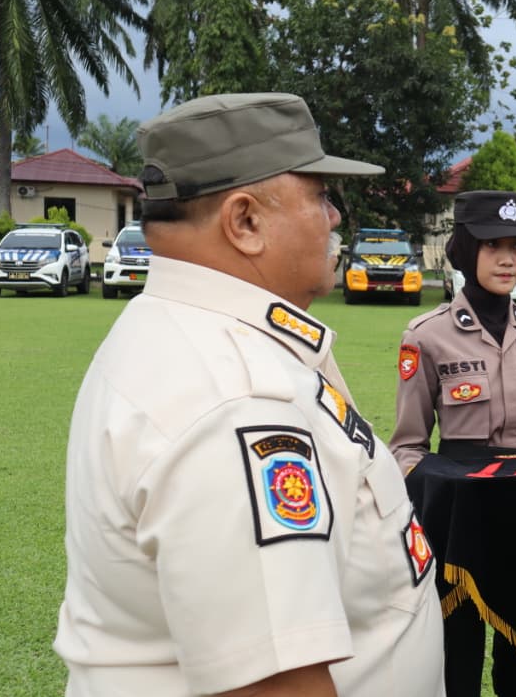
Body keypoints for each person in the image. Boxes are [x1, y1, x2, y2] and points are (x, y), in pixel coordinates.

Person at [52, 93, 445, 697]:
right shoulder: (233, 398)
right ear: (245, 222)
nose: (335, 217)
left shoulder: (184, 329)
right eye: (318, 195)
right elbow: (274, 684)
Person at [390, 190, 516, 697]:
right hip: (460, 524)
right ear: (464, 250)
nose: (509, 259)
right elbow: (407, 448)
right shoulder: (428, 335)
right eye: (492, 245)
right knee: (454, 661)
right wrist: (438, 494)